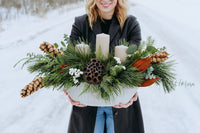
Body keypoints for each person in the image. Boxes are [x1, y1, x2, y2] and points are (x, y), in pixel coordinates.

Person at [65, 0, 144, 133]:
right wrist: (69, 90)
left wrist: (132, 92)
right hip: (87, 101)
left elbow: (137, 65)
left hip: (120, 102)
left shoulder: (130, 24)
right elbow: (68, 61)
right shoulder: (81, 24)